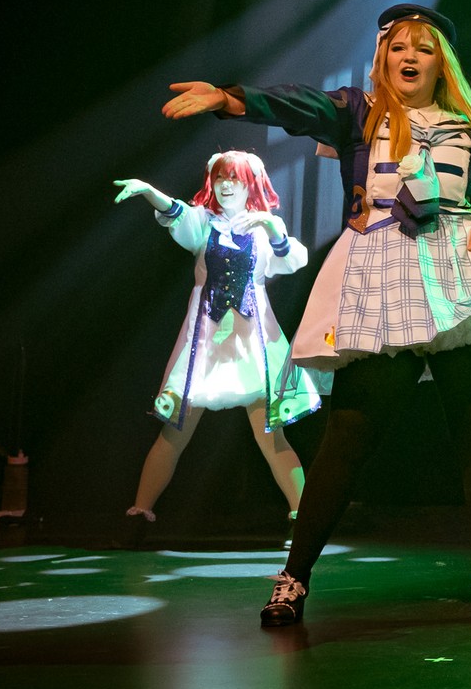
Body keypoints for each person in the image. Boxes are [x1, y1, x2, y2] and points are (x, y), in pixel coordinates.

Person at [160, 3, 471, 626]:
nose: (410, 57)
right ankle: (293, 579)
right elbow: (300, 106)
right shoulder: (360, 113)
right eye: (398, 47)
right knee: (347, 438)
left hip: (462, 280)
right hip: (380, 279)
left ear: (442, 63)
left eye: (424, 48)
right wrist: (230, 99)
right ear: (384, 57)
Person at [110, 151, 318, 542]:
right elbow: (176, 212)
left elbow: (290, 260)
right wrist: (147, 190)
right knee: (174, 433)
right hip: (205, 343)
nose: (226, 185)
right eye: (221, 178)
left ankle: (306, 521)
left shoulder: (264, 228)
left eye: (234, 179)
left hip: (252, 344)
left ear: (250, 184)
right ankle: (139, 515)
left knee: (271, 437)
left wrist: (272, 227)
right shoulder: (204, 223)